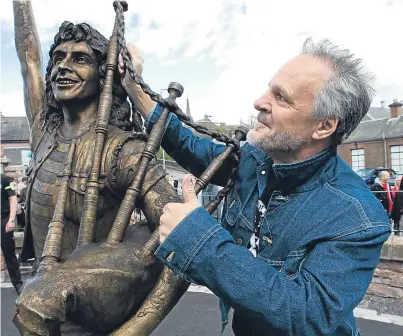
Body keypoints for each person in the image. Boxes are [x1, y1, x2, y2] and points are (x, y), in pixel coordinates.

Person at [120, 39, 391, 335]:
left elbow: (306, 314)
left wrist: (197, 239)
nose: (259, 102)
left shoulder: (358, 218)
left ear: (324, 126)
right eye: (268, 89)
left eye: (281, 97)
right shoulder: (254, 158)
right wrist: (134, 85)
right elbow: (189, 145)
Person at [13, 2, 191, 334]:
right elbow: (28, 56)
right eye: (59, 58)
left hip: (93, 322)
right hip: (36, 310)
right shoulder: (43, 131)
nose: (63, 67)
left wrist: (137, 327)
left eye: (80, 59)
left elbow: (184, 243)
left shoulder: (123, 152)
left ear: (104, 73)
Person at [1, 174, 23, 295]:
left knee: (9, 254)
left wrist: (11, 220)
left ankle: (18, 284)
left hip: (3, 220)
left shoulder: (4, 179)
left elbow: (12, 199)